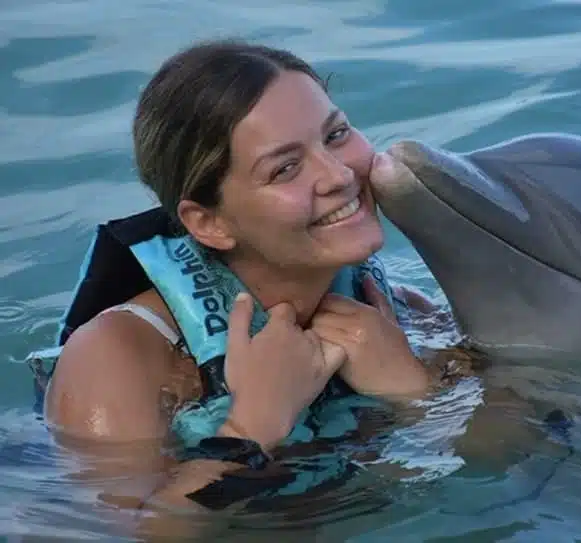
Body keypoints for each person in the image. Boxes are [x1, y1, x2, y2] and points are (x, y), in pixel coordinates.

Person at [39, 39, 448, 537]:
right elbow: (111, 535)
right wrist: (252, 426)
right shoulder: (120, 357)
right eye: (285, 168)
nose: (339, 175)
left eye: (336, 134)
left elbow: (497, 466)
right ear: (208, 222)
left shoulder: (400, 311)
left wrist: (411, 390)